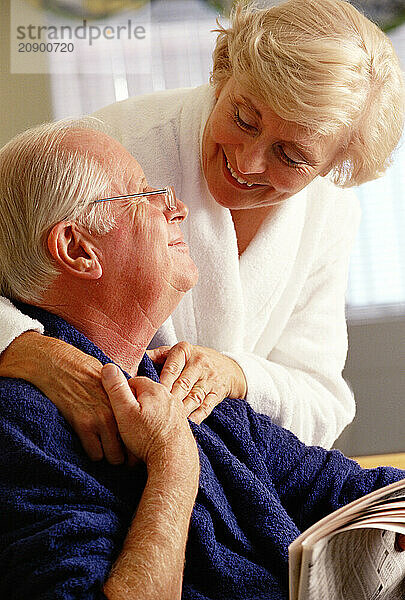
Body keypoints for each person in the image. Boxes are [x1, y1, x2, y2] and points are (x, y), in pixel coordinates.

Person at [0, 121, 404, 600]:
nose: (177, 206)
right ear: (78, 249)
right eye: (141, 193)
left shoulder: (184, 383)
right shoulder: (23, 427)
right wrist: (173, 460)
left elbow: (342, 490)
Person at [0, 0, 404, 462]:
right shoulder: (114, 147)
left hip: (232, 477)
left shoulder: (329, 212)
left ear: (336, 165)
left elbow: (323, 402)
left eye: (291, 157)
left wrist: (237, 376)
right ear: (225, 71)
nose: (247, 163)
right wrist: (21, 346)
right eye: (244, 118)